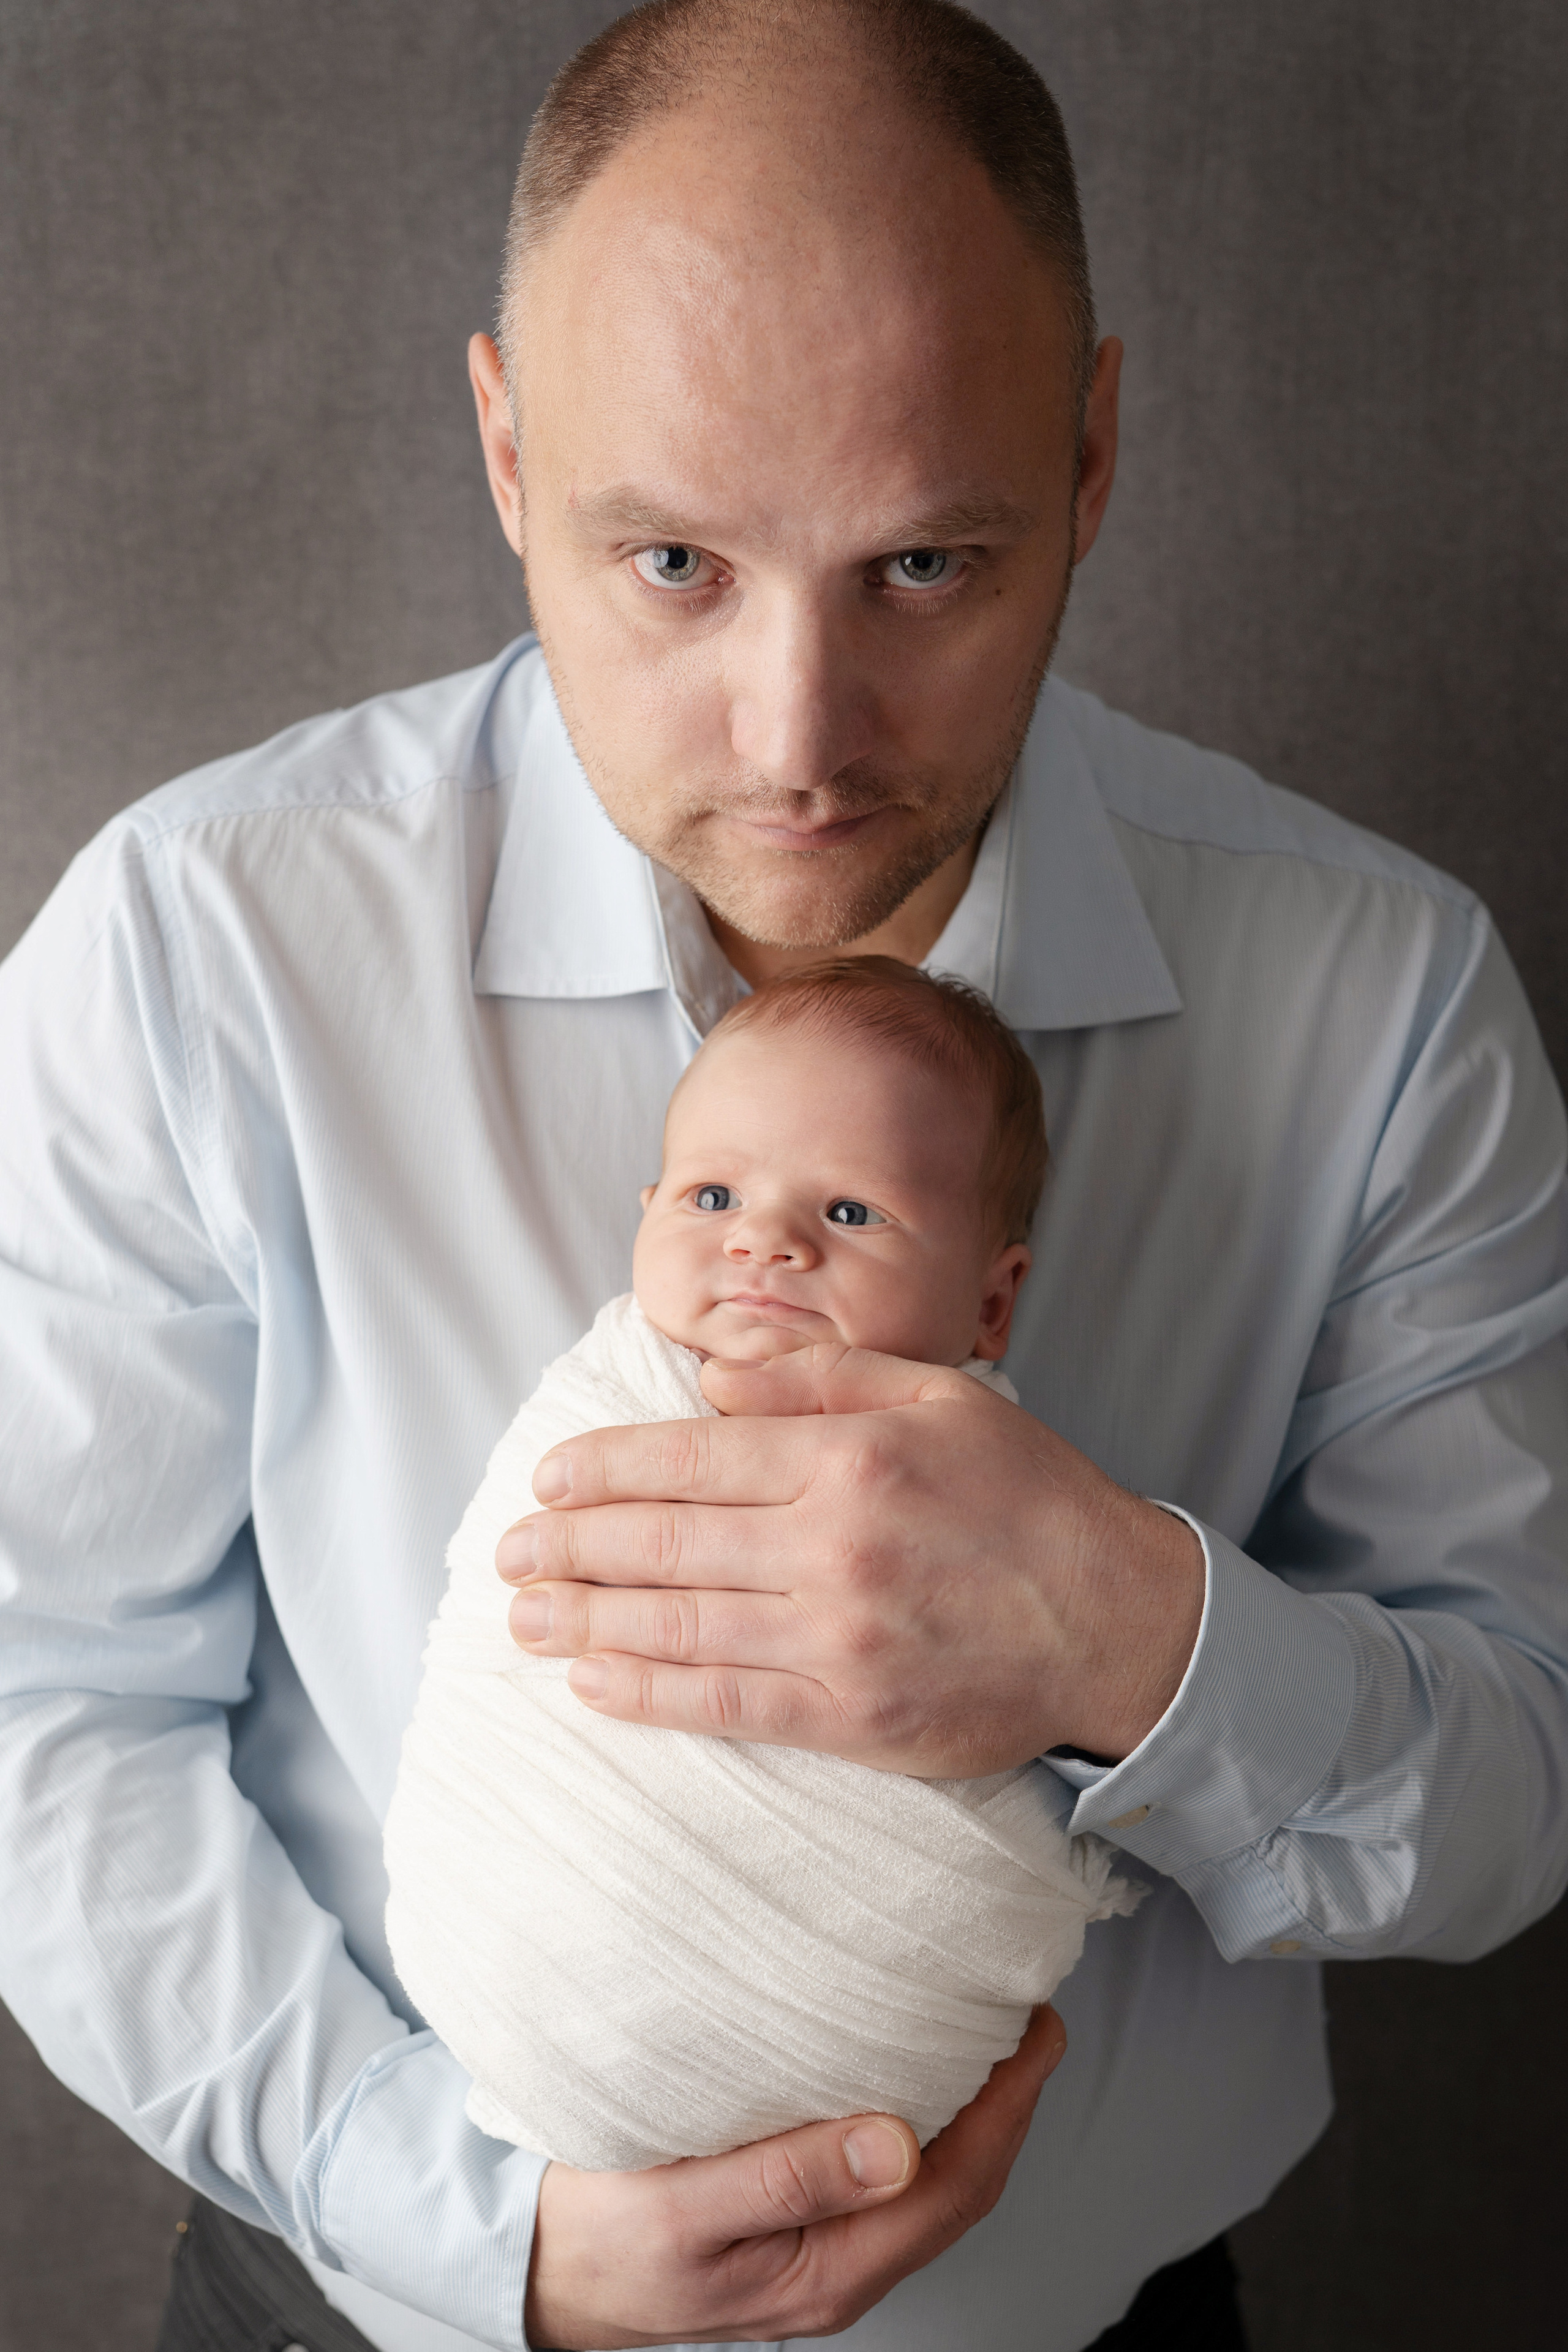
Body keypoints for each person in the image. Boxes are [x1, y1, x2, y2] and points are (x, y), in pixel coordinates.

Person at [0, 1, 1564, 2348]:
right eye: (672, 562)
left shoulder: (1385, 997)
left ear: (1093, 453)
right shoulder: (194, 948)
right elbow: (41, 1707)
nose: (799, 736)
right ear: (508, 448)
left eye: (925, 562)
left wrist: (1131, 1638)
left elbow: (1525, 1765)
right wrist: (464, 2227)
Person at [383, 959, 1137, 2176]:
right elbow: (501, 1623)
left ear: (990, 1304)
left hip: (870, 2030)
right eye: (713, 1194)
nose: (763, 1240)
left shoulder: (1002, 1487)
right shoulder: (607, 1395)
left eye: (851, 1214)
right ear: (645, 1217)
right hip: (519, 1934)